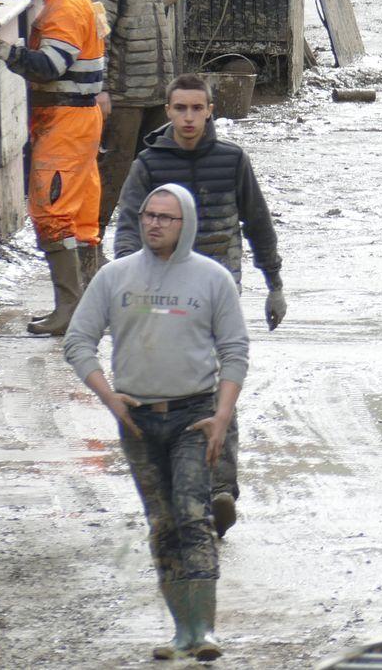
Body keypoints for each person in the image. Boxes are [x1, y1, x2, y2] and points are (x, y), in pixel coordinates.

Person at [66, 183, 247, 662]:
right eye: (148, 215)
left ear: (184, 223)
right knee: (162, 522)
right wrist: (110, 399)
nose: (154, 224)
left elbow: (234, 351)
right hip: (140, 421)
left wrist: (221, 416)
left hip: (194, 417)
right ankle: (180, 630)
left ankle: (204, 629)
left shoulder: (212, 279)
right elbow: (78, 342)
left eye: (166, 218)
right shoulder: (115, 277)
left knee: (193, 515)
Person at [110, 74, 283, 538]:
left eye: (197, 108)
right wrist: (131, 275)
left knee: (218, 379)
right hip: (163, 293)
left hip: (218, 286)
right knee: (174, 382)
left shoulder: (231, 161)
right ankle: (177, 481)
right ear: (167, 111)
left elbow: (257, 222)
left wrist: (274, 282)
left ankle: (220, 487)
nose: (188, 117)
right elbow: (127, 225)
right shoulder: (148, 165)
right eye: (180, 108)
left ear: (210, 111)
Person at [0, 0, 105, 335]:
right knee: (79, 218)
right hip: (75, 120)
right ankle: (86, 310)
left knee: (53, 213)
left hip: (65, 121)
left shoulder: (65, 5)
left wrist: (3, 50)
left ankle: (69, 310)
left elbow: (51, 65)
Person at [87, 0, 176, 250]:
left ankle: (144, 252)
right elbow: (97, 35)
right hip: (123, 98)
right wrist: (102, 88)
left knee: (155, 179)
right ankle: (89, 252)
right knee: (112, 178)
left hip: (156, 95)